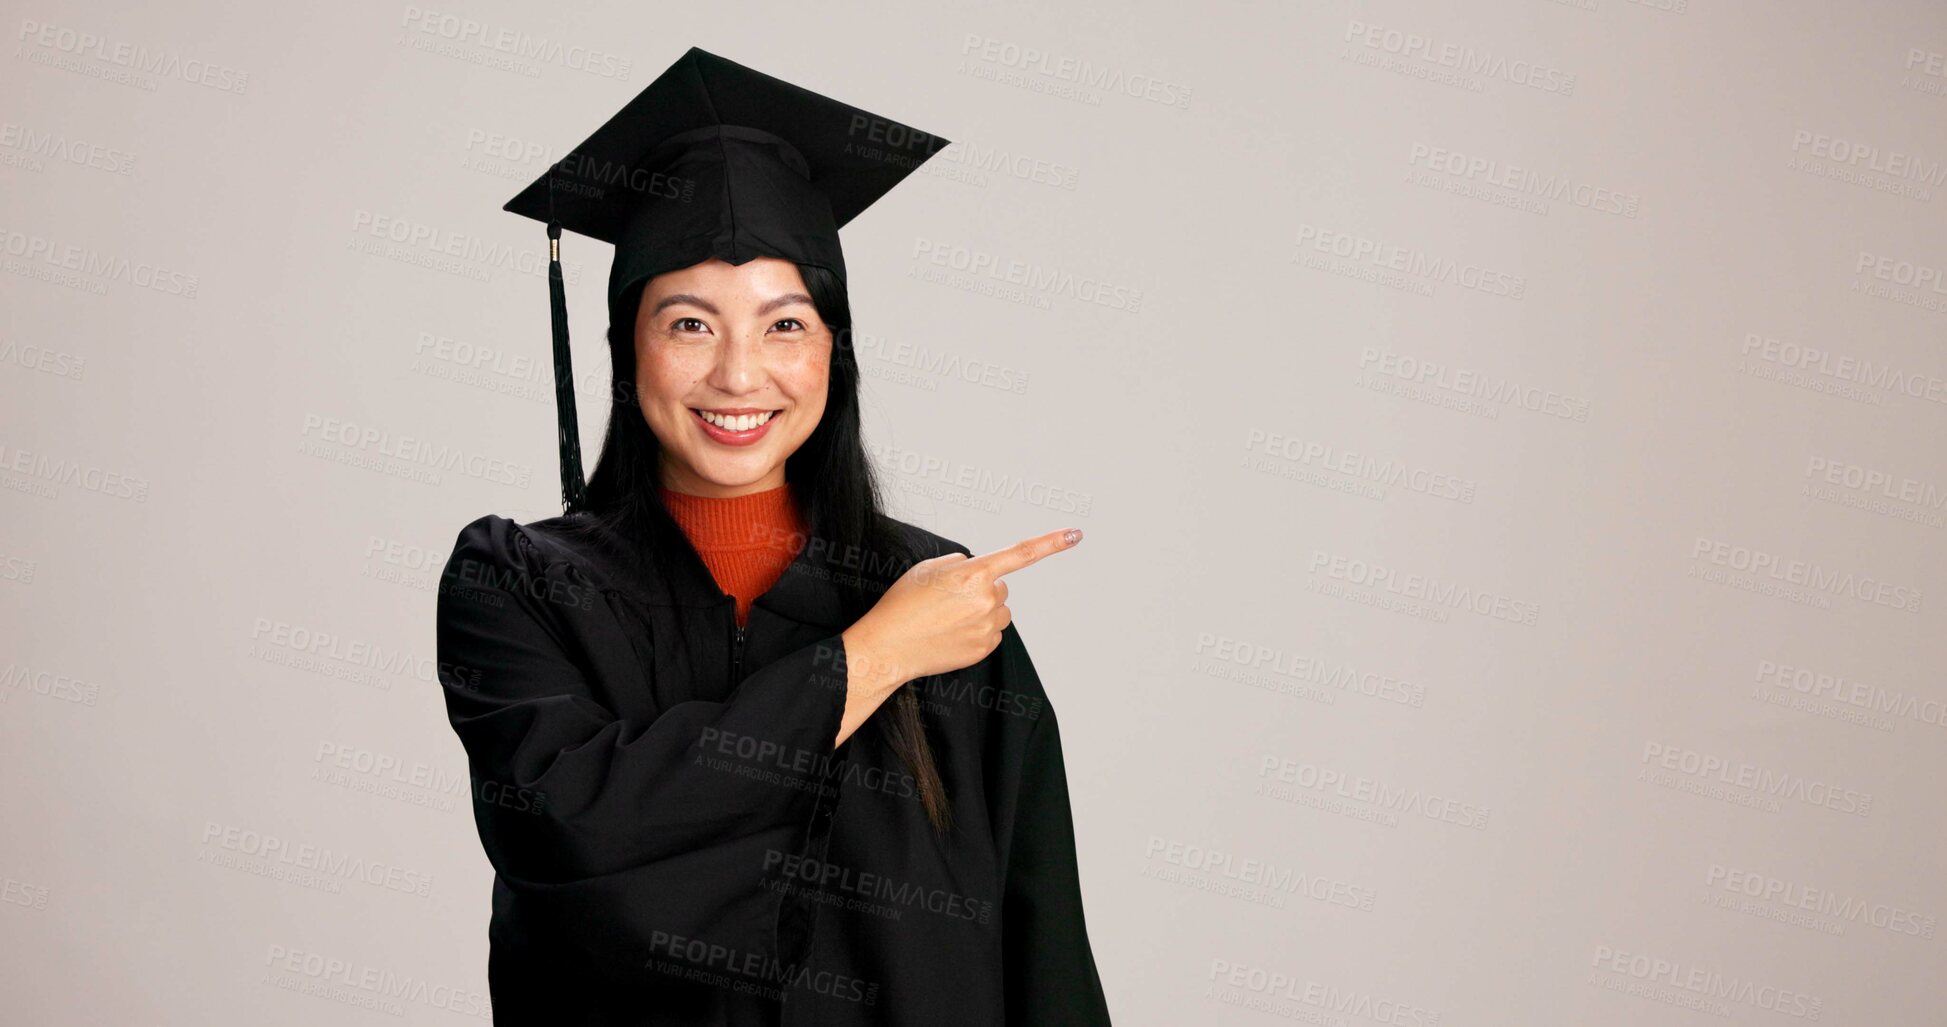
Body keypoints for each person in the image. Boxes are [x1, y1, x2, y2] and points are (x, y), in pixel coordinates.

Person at [433, 47, 1113, 1025]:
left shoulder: (938, 593)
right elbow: (577, 842)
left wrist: (907, 633)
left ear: (836, 349)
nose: (741, 376)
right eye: (690, 324)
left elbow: (1041, 939)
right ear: (628, 348)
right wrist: (871, 659)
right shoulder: (523, 586)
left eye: (785, 325)